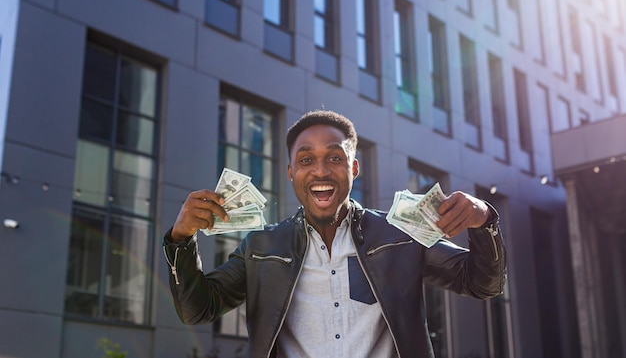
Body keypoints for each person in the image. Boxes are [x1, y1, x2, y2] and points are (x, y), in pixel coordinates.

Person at [163, 110, 506, 358]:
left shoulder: (400, 236)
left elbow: (480, 283)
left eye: (334, 157)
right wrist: (180, 240)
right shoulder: (261, 247)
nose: (321, 170)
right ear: (291, 172)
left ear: (353, 168)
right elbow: (197, 309)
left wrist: (484, 219)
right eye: (306, 160)